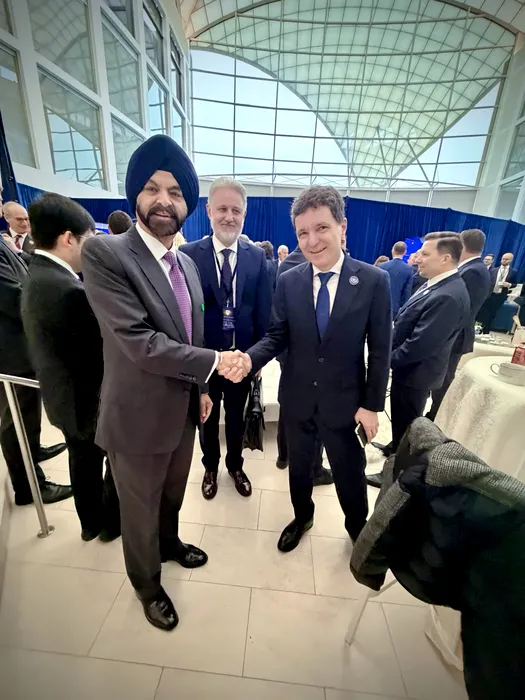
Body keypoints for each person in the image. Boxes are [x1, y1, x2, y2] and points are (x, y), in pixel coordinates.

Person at [81, 135, 244, 631]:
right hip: (136, 417)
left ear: (188, 204)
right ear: (135, 194)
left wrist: (203, 391)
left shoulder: (187, 263)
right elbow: (141, 343)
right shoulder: (106, 254)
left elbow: (192, 333)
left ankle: (170, 544)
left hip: (183, 413)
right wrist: (217, 363)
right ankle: (147, 586)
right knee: (139, 509)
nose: (163, 201)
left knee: (172, 495)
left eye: (175, 193)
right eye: (152, 189)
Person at [221, 186, 392, 552]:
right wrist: (249, 359)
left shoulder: (373, 281)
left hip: (345, 402)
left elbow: (380, 350)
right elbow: (277, 335)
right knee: (299, 469)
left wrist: (371, 405)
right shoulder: (289, 280)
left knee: (349, 472)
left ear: (342, 226)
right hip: (297, 397)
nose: (312, 241)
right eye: (303, 232)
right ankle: (302, 517)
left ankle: (357, 528)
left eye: (321, 228)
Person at [21, 193, 120, 542]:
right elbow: (100, 350)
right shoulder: (67, 289)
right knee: (106, 459)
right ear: (68, 238)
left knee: (82, 461)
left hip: (62, 396)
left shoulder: (36, 273)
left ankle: (90, 523)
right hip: (86, 400)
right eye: (89, 238)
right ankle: (109, 524)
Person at [180, 178, 272, 500]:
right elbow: (185, 313)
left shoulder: (256, 257)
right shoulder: (188, 254)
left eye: (236, 210)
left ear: (244, 214)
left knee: (236, 417)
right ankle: (210, 467)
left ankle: (235, 465)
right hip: (205, 360)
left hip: (241, 360)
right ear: (208, 211)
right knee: (207, 419)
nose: (229, 217)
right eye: (222, 209)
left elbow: (263, 311)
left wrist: (257, 359)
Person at [367, 232, 470, 487]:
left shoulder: (448, 295)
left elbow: (419, 345)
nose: (418, 258)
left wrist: (385, 362)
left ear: (445, 258)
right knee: (401, 422)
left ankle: (396, 475)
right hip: (410, 370)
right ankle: (394, 447)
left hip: (416, 374)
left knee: (408, 425)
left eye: (425, 254)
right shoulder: (435, 283)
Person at [0, 202, 69, 506]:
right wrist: (51, 304)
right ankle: (29, 487)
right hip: (11, 354)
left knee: (28, 414)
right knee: (15, 420)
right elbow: (12, 296)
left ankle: (34, 451)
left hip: (23, 350)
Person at [274, 239, 334, 487]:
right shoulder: (293, 271)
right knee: (314, 413)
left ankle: (283, 454)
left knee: (289, 406)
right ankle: (315, 467)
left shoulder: (285, 264)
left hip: (288, 357)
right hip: (312, 360)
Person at [426, 228, 492, 421]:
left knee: (443, 379)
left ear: (461, 246)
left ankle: (436, 418)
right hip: (455, 334)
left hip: (455, 335)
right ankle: (435, 414)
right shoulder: (475, 268)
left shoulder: (473, 271)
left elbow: (460, 308)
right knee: (441, 378)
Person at [477, 252, 518, 333]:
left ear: (511, 260)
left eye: (506, 259)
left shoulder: (513, 272)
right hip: (490, 294)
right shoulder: (493, 270)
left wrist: (509, 285)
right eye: (503, 259)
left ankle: (486, 331)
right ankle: (480, 329)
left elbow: (515, 284)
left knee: (493, 314)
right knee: (484, 313)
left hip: (500, 296)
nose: (504, 260)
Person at [378, 242, 414, 317]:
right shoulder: (409, 269)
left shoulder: (381, 266)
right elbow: (407, 291)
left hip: (379, 304)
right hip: (395, 307)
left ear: (392, 250)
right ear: (405, 252)